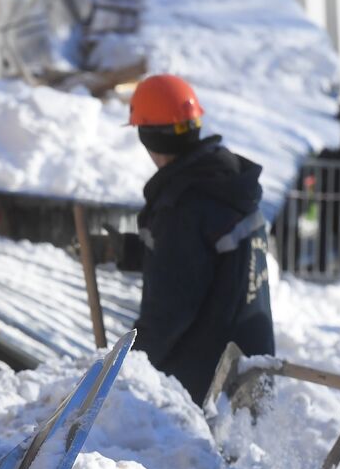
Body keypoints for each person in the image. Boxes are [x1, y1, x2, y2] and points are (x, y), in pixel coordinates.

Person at [102, 73, 275, 404]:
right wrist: (125, 250)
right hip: (250, 364)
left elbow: (170, 306)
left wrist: (130, 367)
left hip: (203, 384)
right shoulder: (227, 186)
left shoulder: (184, 205)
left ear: (147, 136)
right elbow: (201, 260)